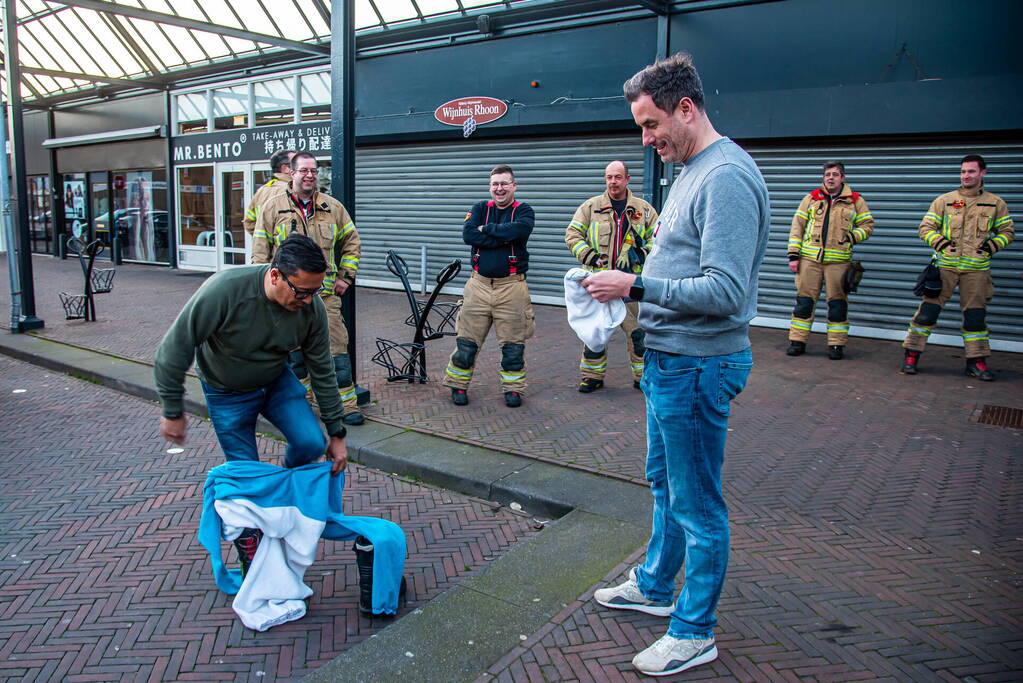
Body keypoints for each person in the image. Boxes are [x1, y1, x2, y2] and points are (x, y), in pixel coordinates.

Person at [583, 53, 770, 677]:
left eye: (651, 124)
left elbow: (724, 290)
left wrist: (633, 287)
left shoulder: (726, 178)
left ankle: (695, 631)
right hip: (670, 364)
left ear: (686, 109)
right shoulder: (692, 169)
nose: (646, 139)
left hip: (696, 366)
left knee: (698, 503)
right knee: (665, 483)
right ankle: (657, 585)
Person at [155, 233, 349, 575]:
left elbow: (323, 370)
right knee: (246, 476)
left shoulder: (311, 308)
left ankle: (285, 503)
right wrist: (173, 410)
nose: (307, 300)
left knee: (310, 442)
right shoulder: (225, 290)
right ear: (274, 275)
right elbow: (174, 350)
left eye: (315, 291)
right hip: (226, 391)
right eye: (301, 291)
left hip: (275, 381)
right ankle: (255, 557)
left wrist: (336, 432)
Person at [252, 152, 364, 425]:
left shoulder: (333, 207)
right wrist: (270, 290)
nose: (310, 175)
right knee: (295, 354)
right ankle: (303, 405)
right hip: (288, 299)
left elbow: (352, 241)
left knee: (337, 350)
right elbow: (260, 253)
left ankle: (346, 406)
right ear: (292, 173)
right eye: (304, 170)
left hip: (325, 297)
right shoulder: (272, 206)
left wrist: (345, 278)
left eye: (314, 170)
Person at [900, 154, 1014, 380]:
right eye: (963, 171)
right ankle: (911, 355)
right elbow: (925, 227)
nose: (966, 176)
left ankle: (976, 362)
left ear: (983, 173)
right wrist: (939, 242)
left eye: (971, 171)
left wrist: (991, 246)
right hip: (945, 268)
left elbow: (1007, 232)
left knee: (975, 318)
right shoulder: (946, 200)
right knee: (927, 313)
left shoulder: (995, 203)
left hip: (976, 270)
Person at [443, 164, 535, 408]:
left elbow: (520, 230)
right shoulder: (480, 208)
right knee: (466, 344)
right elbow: (469, 235)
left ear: (514, 186)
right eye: (495, 184)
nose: (499, 188)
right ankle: (458, 385)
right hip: (478, 286)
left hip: (512, 287)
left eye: (504, 183)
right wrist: (503, 237)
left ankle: (513, 390)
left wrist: (488, 230)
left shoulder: (524, 210)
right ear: (490, 186)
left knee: (513, 347)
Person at [565, 161, 658, 392]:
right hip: (600, 283)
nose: (613, 182)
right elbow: (572, 235)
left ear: (627, 179)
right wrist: (589, 255)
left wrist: (642, 253)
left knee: (639, 336)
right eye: (609, 177)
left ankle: (643, 377)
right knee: (594, 334)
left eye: (617, 177)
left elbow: (660, 240)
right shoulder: (591, 207)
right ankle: (592, 377)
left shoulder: (644, 210)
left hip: (631, 286)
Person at [785, 161, 874, 360]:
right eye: (827, 175)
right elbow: (797, 227)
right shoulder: (811, 198)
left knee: (837, 305)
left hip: (839, 262)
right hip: (809, 260)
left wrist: (852, 236)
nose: (830, 178)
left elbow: (868, 225)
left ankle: (836, 345)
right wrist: (793, 255)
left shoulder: (856, 201)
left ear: (843, 177)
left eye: (835, 174)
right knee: (804, 303)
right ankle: (797, 342)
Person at [244, 148, 295, 236]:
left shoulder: (262, 191)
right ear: (285, 168)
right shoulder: (293, 191)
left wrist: (266, 239)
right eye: (298, 164)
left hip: (270, 248)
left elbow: (249, 223)